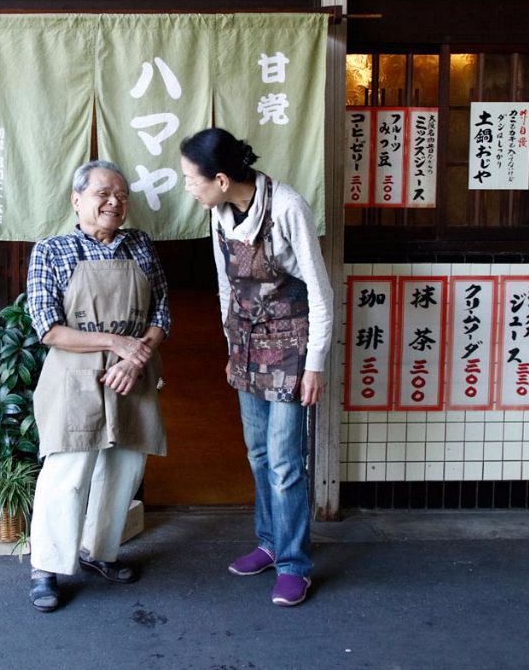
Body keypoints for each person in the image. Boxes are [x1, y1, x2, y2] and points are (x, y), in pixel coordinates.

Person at [179, 128, 332, 608]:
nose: (188, 187)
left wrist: (315, 366)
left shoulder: (287, 206)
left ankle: (294, 565)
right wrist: (230, 347)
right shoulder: (217, 215)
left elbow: (320, 291)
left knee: (286, 463)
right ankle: (268, 543)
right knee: (259, 456)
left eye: (191, 178)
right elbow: (227, 286)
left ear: (221, 179)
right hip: (246, 347)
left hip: (290, 350)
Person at [24, 160, 169, 613]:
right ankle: (46, 568)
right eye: (103, 194)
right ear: (77, 199)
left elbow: (162, 313)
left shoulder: (140, 245)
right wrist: (116, 343)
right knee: (67, 472)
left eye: (121, 195)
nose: (114, 202)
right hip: (74, 377)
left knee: (124, 467)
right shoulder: (52, 250)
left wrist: (137, 355)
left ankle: (99, 552)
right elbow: (48, 327)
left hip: (133, 375)